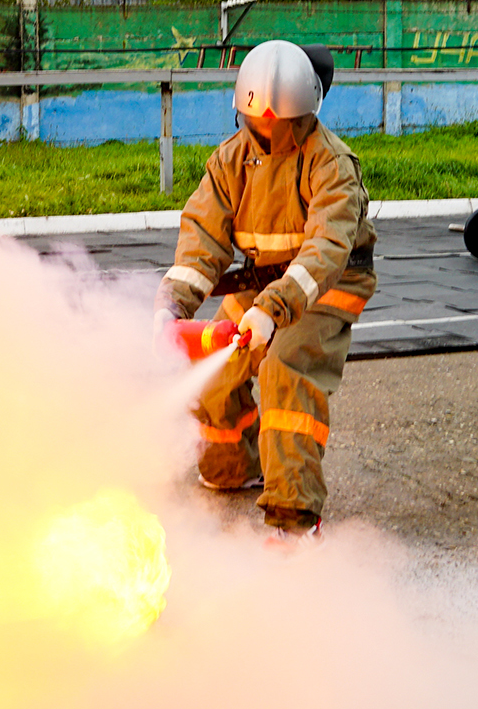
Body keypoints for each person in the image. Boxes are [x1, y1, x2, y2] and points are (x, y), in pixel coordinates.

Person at [156, 40, 376, 542]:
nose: (268, 134)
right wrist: (172, 307)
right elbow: (202, 240)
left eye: (282, 126)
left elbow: (326, 249)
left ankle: (294, 518)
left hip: (327, 287)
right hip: (266, 290)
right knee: (213, 363)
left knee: (285, 369)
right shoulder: (229, 163)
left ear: (306, 115)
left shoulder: (332, 165)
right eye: (258, 125)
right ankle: (233, 467)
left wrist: (274, 313)